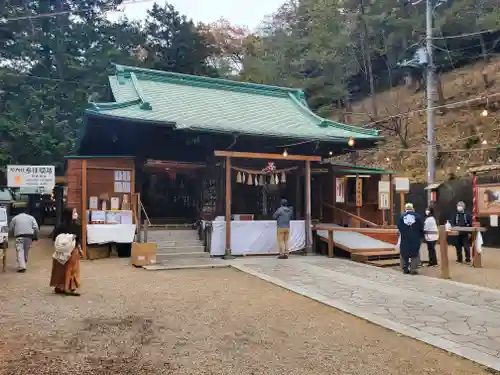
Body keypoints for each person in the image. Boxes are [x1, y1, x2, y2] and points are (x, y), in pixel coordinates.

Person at [50, 207, 82, 296]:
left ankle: (60, 286)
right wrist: (79, 249)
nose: (76, 214)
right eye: (74, 212)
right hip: (73, 249)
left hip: (61, 250)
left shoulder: (60, 226)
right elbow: (78, 239)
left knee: (60, 269)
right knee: (72, 269)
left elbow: (54, 238)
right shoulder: (76, 226)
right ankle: (69, 287)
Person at [397, 203, 424, 275]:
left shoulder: (401, 217)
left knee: (404, 253)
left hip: (405, 238)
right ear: (412, 208)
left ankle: (405, 268)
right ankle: (413, 269)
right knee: (415, 253)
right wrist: (421, 236)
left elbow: (399, 228)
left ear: (405, 209)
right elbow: (421, 227)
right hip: (415, 238)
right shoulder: (418, 217)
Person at [9, 207, 39, 272]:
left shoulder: (15, 218)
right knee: (26, 251)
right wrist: (36, 236)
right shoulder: (31, 217)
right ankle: (23, 264)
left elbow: (11, 228)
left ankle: (22, 266)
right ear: (25, 211)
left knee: (20, 251)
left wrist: (10, 235)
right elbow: (36, 228)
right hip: (28, 237)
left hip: (19, 237)